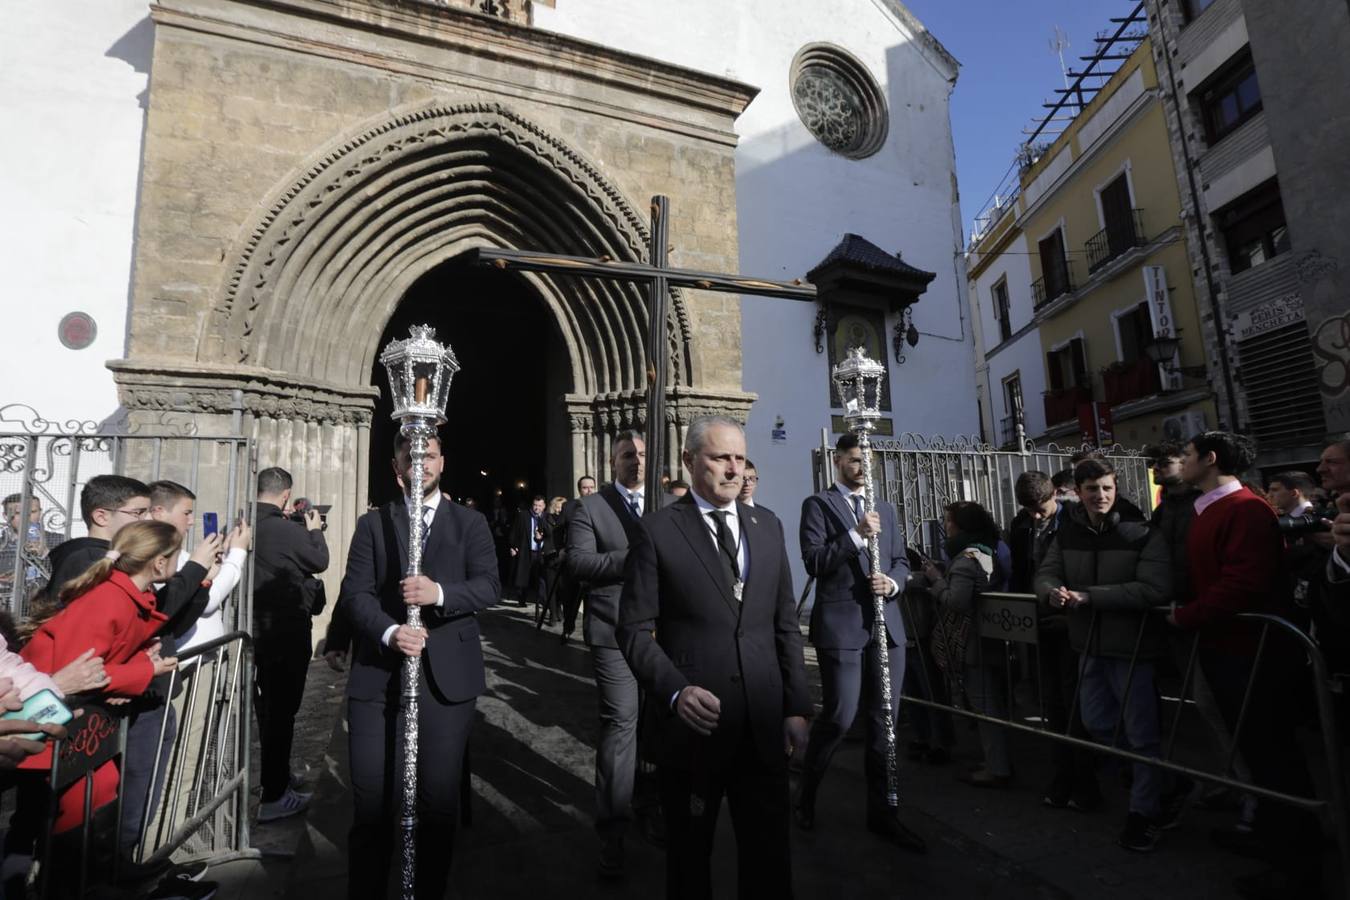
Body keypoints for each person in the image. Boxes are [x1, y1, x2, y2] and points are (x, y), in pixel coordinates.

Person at [618, 416, 810, 899]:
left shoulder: (768, 527)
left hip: (764, 727)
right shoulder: (658, 531)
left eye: (739, 458)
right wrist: (675, 689)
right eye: (720, 458)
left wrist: (797, 706)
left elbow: (785, 624)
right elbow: (635, 631)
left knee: (769, 860)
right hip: (695, 730)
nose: (733, 470)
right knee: (689, 862)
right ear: (688, 461)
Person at [340, 431, 498, 900]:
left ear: (442, 462)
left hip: (447, 679)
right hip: (379, 678)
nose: (421, 464)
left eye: (428, 456)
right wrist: (390, 632)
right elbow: (355, 595)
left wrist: (440, 594)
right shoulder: (374, 525)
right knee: (372, 804)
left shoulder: (470, 524)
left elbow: (490, 586)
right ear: (397, 467)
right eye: (412, 457)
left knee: (436, 804)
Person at [1172, 431, 1322, 896]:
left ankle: (1299, 866)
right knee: (1256, 752)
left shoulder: (1246, 509)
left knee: (1274, 756)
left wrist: (1188, 615)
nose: (1181, 462)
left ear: (1210, 460)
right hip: (1227, 647)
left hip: (1252, 652)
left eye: (1188, 455)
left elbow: (1243, 583)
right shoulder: (1214, 508)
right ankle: (1271, 840)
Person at [19, 521, 188, 893]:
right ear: (159, 563)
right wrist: (144, 669)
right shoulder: (108, 598)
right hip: (44, 716)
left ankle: (93, 878)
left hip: (73, 718)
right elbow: (77, 670)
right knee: (84, 798)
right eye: (177, 554)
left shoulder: (125, 595)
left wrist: (140, 659)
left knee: (100, 787)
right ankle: (68, 884)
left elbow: (107, 655)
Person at [1035, 458, 1176, 852]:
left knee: (1141, 734)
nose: (1101, 496)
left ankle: (1143, 814)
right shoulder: (1067, 534)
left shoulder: (1141, 533)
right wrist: (1051, 592)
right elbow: (1046, 572)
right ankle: (1169, 783)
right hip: (1088, 647)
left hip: (1132, 649)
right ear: (1077, 491)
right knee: (1099, 726)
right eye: (1093, 489)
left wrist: (1089, 597)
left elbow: (1154, 588)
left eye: (1107, 489)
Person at [795, 433, 924, 851]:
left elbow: (902, 561)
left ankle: (883, 813)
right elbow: (814, 561)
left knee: (884, 724)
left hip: (887, 629)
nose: (861, 468)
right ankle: (806, 793)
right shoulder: (818, 505)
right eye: (853, 460)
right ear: (838, 461)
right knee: (839, 716)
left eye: (867, 461)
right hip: (843, 627)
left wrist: (895, 583)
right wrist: (854, 534)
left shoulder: (885, 507)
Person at [564, 432, 658, 877]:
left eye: (642, 454)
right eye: (627, 456)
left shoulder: (663, 502)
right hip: (613, 632)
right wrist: (632, 558)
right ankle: (613, 830)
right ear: (611, 460)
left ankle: (649, 803)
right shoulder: (589, 508)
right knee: (622, 723)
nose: (636, 462)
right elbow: (579, 564)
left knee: (656, 724)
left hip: (661, 633)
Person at [1007, 471, 1098, 809]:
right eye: (1028, 509)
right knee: (1053, 706)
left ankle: (1084, 782)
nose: (1035, 515)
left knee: (1075, 705)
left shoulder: (1074, 521)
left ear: (1053, 498)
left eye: (1039, 508)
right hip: (1039, 622)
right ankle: (1063, 777)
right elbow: (1021, 573)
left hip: (1070, 622)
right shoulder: (1022, 526)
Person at [252, 467, 329, 823]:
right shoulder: (283, 529)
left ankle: (277, 776)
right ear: (285, 495)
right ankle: (274, 796)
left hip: (255, 631)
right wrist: (314, 530)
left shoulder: (246, 524)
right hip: (284, 632)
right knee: (282, 713)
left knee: (270, 711)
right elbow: (320, 561)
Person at [923, 501, 1012, 789]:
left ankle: (998, 767)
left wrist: (936, 582)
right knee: (991, 704)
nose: (945, 527)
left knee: (985, 706)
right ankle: (995, 761)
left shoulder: (965, 559)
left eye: (948, 521)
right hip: (990, 638)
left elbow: (956, 601)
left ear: (961, 526)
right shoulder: (987, 550)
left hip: (972, 641)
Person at [45, 475, 151, 599]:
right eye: (137, 513)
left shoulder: (109, 555)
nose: (147, 520)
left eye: (147, 513)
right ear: (101, 517)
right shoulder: (87, 560)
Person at [557, 475, 598, 644]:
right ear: (579, 489)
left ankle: (589, 634)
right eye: (585, 488)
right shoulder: (569, 506)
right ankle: (568, 627)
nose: (588, 490)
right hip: (574, 559)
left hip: (595, 560)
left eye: (591, 487)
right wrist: (560, 549)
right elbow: (559, 529)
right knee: (570, 597)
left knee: (592, 599)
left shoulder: (602, 505)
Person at [508, 495, 547, 609]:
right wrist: (513, 546)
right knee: (523, 576)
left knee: (541, 577)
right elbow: (514, 531)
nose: (536, 508)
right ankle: (521, 600)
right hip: (525, 549)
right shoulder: (523, 515)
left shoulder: (546, 518)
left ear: (544, 506)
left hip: (541, 551)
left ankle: (542, 600)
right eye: (535, 505)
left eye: (539, 506)